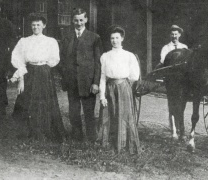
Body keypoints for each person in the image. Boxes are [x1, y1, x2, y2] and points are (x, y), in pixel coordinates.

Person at [10, 13, 65, 142]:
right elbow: (18, 59)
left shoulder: (50, 41)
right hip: (29, 72)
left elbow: (54, 59)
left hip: (44, 72)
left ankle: (45, 130)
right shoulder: (24, 41)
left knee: (45, 100)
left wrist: (44, 68)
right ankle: (29, 131)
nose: (35, 27)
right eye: (33, 25)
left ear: (44, 26)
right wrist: (21, 78)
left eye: (38, 25)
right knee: (27, 100)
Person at [60, 8, 102, 142]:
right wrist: (65, 75)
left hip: (87, 81)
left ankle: (91, 137)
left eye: (81, 20)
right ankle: (77, 136)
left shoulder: (94, 37)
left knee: (89, 111)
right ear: (73, 21)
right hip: (71, 80)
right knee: (73, 111)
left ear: (86, 20)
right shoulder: (66, 37)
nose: (79, 23)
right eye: (76, 20)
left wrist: (95, 82)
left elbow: (98, 62)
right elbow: (62, 58)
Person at [98, 26, 141, 154]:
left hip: (123, 87)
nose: (114, 41)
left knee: (124, 115)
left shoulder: (129, 56)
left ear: (122, 38)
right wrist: (102, 96)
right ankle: (108, 143)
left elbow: (134, 76)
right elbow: (102, 77)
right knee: (109, 114)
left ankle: (124, 144)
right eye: (112, 38)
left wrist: (124, 87)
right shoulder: (105, 56)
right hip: (109, 88)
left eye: (117, 38)